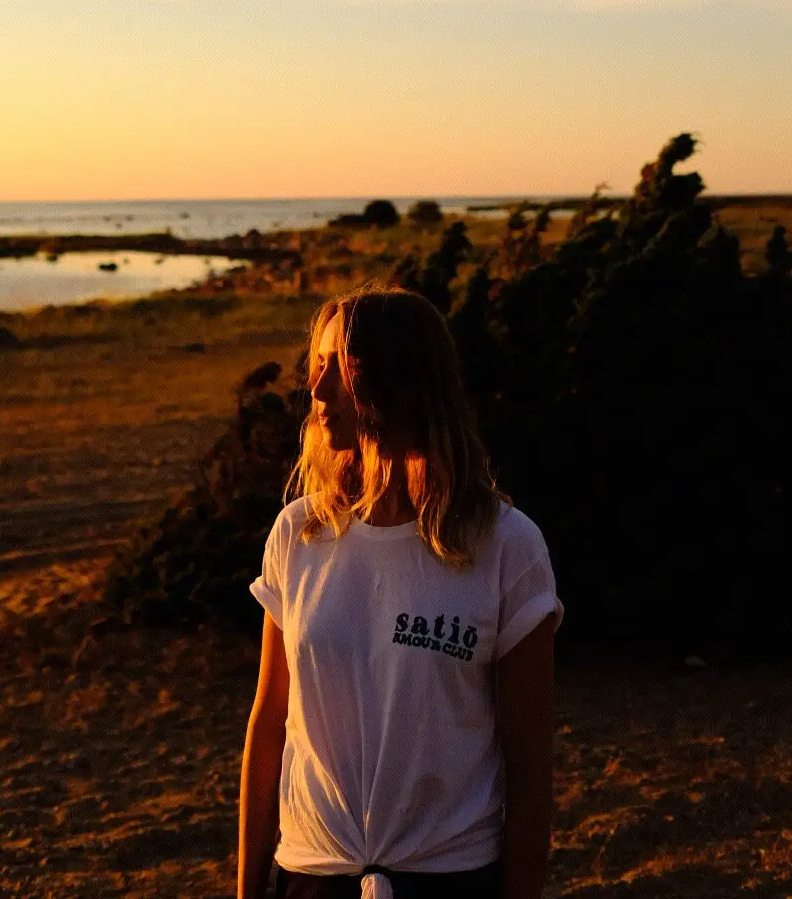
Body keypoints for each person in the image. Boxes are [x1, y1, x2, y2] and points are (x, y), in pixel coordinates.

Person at [238, 286, 563, 899]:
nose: (316, 389)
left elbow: (529, 757)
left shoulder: (505, 546)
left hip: (450, 877)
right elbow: (269, 723)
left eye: (339, 366)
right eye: (319, 366)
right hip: (309, 873)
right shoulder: (299, 534)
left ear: (397, 378)